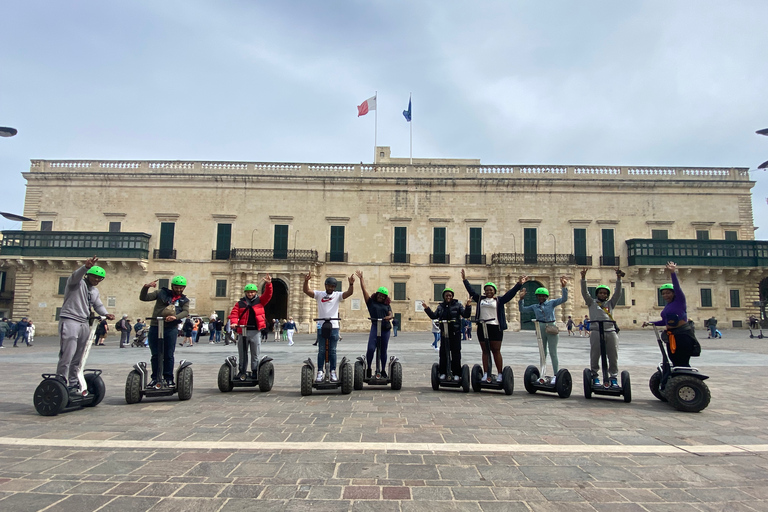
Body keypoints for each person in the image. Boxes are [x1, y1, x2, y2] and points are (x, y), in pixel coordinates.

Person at [55, 256, 114, 395]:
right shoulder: (75, 283)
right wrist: (85, 267)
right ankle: (60, 380)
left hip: (84, 322)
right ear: (88, 275)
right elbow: (75, 276)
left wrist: (106, 314)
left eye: (100, 279)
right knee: (67, 354)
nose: (97, 280)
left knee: (79, 356)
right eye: (94, 277)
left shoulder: (94, 291)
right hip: (70, 320)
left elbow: (97, 304)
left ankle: (74, 383)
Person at [462, 269, 527, 383]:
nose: (488, 291)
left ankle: (500, 373)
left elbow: (510, 294)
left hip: (495, 327)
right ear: (484, 291)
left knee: (496, 350)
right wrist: (465, 280)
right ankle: (486, 373)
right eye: (486, 290)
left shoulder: (499, 300)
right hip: (482, 327)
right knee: (485, 351)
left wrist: (519, 284)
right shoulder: (480, 299)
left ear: (494, 291)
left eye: (491, 290)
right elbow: (471, 291)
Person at [642, 261, 700, 367]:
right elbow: (665, 321)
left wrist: (673, 272)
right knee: (674, 360)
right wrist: (650, 323)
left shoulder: (680, 301)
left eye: (668, 293)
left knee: (682, 361)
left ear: (673, 293)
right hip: (671, 335)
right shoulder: (667, 307)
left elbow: (677, 288)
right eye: (663, 293)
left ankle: (685, 381)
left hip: (682, 335)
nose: (665, 295)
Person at [303, 271, 355, 383]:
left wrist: (351, 284)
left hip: (334, 326)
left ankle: (332, 371)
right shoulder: (319, 294)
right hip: (321, 325)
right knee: (321, 350)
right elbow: (306, 291)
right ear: (325, 285)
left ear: (334, 287)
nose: (330, 288)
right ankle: (320, 372)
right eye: (329, 285)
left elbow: (349, 293)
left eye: (332, 286)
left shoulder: (337, 295)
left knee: (332, 350)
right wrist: (306, 281)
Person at [140, 275, 190, 387]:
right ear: (172, 286)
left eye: (181, 288)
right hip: (156, 326)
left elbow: (185, 312)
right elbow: (144, 298)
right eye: (177, 287)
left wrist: (175, 317)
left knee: (168, 354)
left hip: (171, 328)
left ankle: (168, 378)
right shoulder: (160, 293)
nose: (179, 290)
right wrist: (146, 287)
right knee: (156, 354)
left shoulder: (184, 300)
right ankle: (155, 378)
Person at [518, 276, 569, 384]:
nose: (541, 297)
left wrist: (564, 287)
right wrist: (521, 299)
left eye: (543, 296)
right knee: (542, 352)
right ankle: (543, 373)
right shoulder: (535, 306)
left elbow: (564, 299)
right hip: (540, 327)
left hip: (551, 327)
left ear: (546, 296)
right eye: (539, 296)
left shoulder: (552, 303)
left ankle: (556, 375)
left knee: (553, 352)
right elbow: (522, 310)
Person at [581, 267, 624, 387]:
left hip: (610, 331)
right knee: (595, 355)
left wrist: (619, 279)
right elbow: (585, 293)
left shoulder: (611, 303)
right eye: (600, 292)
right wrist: (583, 279)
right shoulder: (591, 303)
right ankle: (595, 376)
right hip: (595, 331)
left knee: (613, 355)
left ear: (607, 295)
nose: (602, 294)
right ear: (597, 294)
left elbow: (618, 293)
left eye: (605, 293)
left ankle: (613, 377)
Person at [421, 288, 471, 381]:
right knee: (443, 353)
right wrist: (426, 308)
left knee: (456, 353)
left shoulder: (458, 305)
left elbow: (466, 315)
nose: (448, 297)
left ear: (452, 296)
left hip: (455, 333)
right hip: (444, 333)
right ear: (444, 296)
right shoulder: (441, 307)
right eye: (447, 295)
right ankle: (443, 372)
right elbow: (434, 316)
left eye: (450, 295)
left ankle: (456, 373)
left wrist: (468, 305)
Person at [229, 277, 273, 380]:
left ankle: (254, 371)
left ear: (255, 292)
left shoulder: (260, 301)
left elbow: (268, 295)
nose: (250, 294)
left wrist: (269, 285)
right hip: (242, 331)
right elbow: (234, 314)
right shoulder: (239, 303)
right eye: (248, 292)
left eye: (252, 292)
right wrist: (234, 323)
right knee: (242, 353)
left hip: (255, 331)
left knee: (255, 353)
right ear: (245, 293)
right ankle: (242, 371)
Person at [355, 271, 394, 378]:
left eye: (383, 296)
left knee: (383, 350)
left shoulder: (387, 305)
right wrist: (361, 279)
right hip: (375, 326)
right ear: (377, 295)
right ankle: (368, 368)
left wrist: (389, 317)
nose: (381, 297)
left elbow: (390, 314)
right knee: (371, 348)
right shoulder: (371, 302)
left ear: (386, 298)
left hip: (385, 328)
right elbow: (364, 290)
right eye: (380, 295)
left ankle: (382, 370)